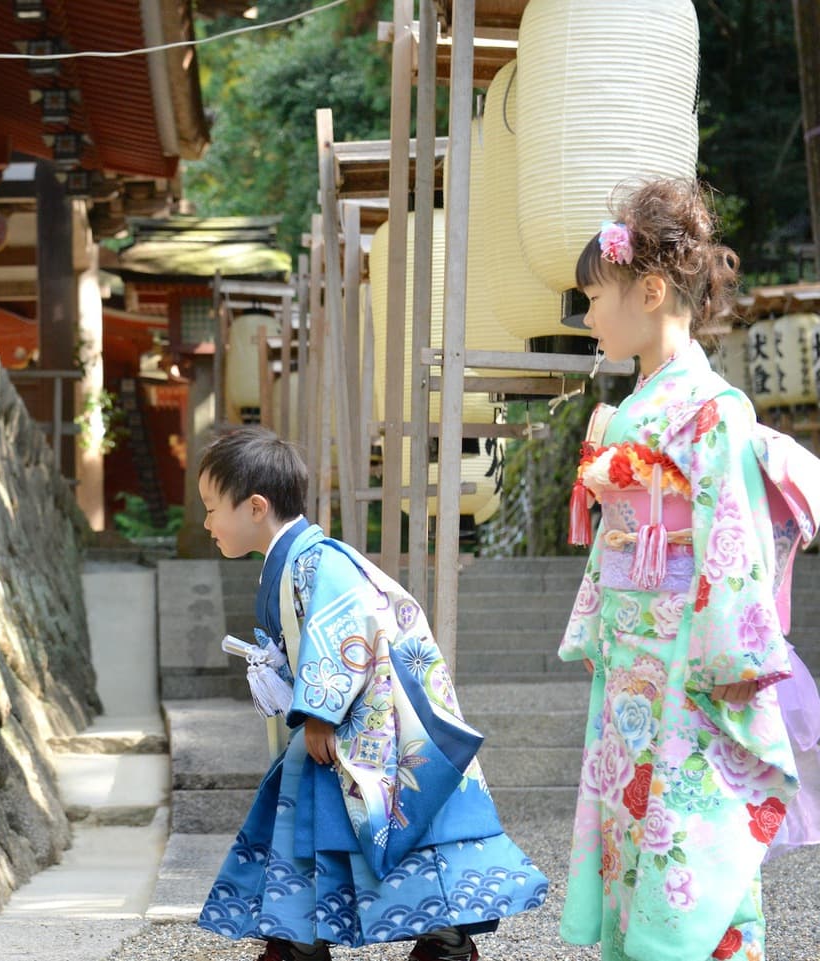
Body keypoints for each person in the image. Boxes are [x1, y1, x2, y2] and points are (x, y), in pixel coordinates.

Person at [560, 177, 820, 961]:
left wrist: (735, 656)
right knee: (633, 811)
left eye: (594, 299)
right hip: (636, 645)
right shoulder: (644, 399)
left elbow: (729, 530)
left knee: (691, 821)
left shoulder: (713, 405)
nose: (586, 318)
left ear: (648, 290)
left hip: (688, 652)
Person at [194, 425, 548, 961]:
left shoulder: (318, 562)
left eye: (211, 506)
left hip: (362, 725)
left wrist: (318, 711)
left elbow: (348, 624)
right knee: (319, 827)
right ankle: (300, 939)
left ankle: (439, 938)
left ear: (255, 506)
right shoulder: (300, 560)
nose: (206, 521)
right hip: (343, 721)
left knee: (381, 829)